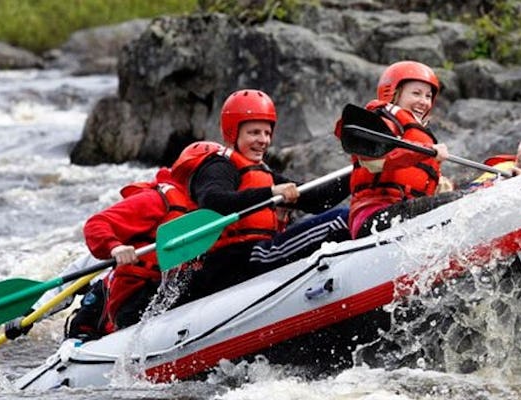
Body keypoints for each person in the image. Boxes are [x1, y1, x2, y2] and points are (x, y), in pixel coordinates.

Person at [170, 90, 350, 303]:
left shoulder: (262, 172)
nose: (263, 140)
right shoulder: (219, 166)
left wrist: (360, 171)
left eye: (267, 133)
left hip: (257, 253)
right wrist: (270, 193)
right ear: (232, 133)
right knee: (341, 220)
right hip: (236, 261)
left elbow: (318, 199)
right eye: (254, 133)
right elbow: (213, 202)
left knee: (340, 216)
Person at [339, 60, 459, 239]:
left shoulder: (419, 136)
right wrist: (423, 151)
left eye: (428, 96)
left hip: (405, 212)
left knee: (463, 195)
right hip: (373, 217)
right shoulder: (381, 123)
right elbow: (372, 164)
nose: (423, 102)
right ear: (394, 94)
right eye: (416, 94)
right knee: (457, 203)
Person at [73, 167, 198, 337]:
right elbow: (96, 225)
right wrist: (115, 247)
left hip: (169, 283)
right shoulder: (157, 200)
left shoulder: (212, 206)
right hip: (129, 290)